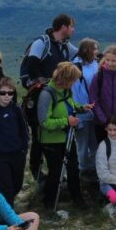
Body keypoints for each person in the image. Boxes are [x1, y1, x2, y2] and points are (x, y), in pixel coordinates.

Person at [20, 14, 78, 180]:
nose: (73, 30)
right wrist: (47, 84)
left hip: (57, 97)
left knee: (56, 133)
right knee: (39, 136)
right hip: (41, 96)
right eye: (72, 26)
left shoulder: (64, 46)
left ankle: (56, 173)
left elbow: (81, 53)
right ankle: (38, 174)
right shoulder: (42, 43)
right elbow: (32, 67)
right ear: (64, 27)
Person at [36, 62, 84, 210]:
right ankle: (49, 202)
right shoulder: (47, 94)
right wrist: (67, 121)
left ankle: (77, 198)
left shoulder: (65, 91)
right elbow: (44, 122)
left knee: (73, 168)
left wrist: (81, 108)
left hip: (67, 137)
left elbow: (69, 105)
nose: (74, 82)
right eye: (73, 79)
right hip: (51, 141)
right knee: (55, 171)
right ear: (66, 79)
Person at [0, 77, 30, 206]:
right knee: (6, 187)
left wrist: (24, 149)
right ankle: (9, 216)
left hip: (17, 154)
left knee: (17, 185)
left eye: (10, 93)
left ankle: (6, 208)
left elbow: (24, 130)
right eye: (3, 93)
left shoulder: (17, 109)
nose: (6, 96)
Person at [89, 46, 116, 145]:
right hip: (102, 124)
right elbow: (93, 100)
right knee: (102, 152)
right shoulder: (98, 77)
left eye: (113, 61)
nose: (110, 63)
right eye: (107, 60)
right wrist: (104, 120)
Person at [71, 38, 101, 179]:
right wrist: (79, 113)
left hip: (95, 112)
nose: (97, 51)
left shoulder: (96, 64)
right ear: (86, 50)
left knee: (94, 143)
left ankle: (95, 168)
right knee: (83, 143)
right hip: (83, 113)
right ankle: (84, 169)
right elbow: (75, 91)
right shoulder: (76, 67)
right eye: (94, 48)